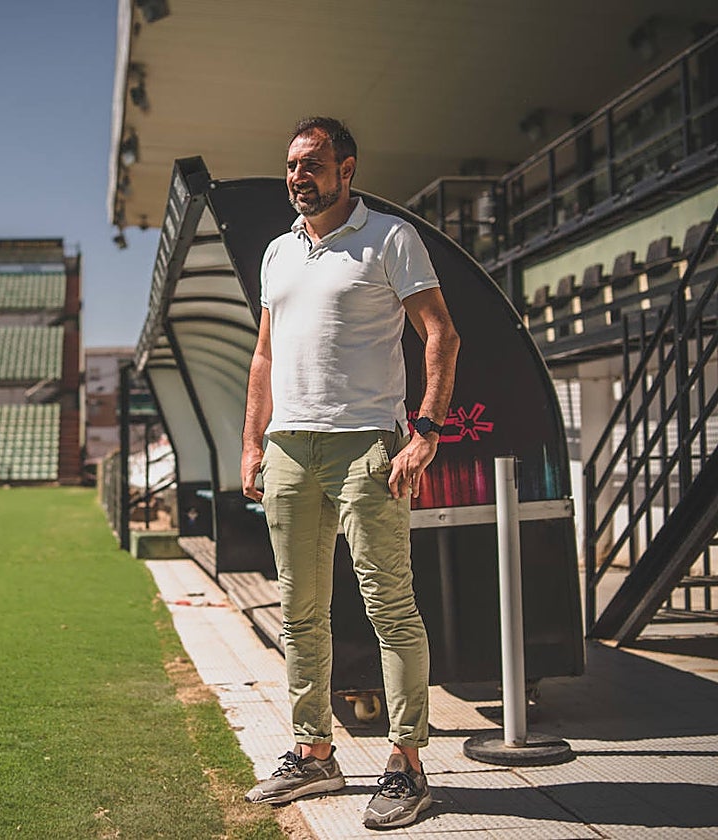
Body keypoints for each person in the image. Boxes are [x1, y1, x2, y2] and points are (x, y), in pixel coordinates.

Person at [240, 116, 459, 830]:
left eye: (311, 164)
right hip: (289, 449)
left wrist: (424, 433)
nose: (297, 176)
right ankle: (314, 755)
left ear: (347, 170)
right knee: (300, 614)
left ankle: (407, 765)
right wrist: (251, 446)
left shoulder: (390, 239)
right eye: (291, 165)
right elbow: (265, 356)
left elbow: (441, 334)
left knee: (389, 608)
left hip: (368, 444)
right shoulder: (277, 253)